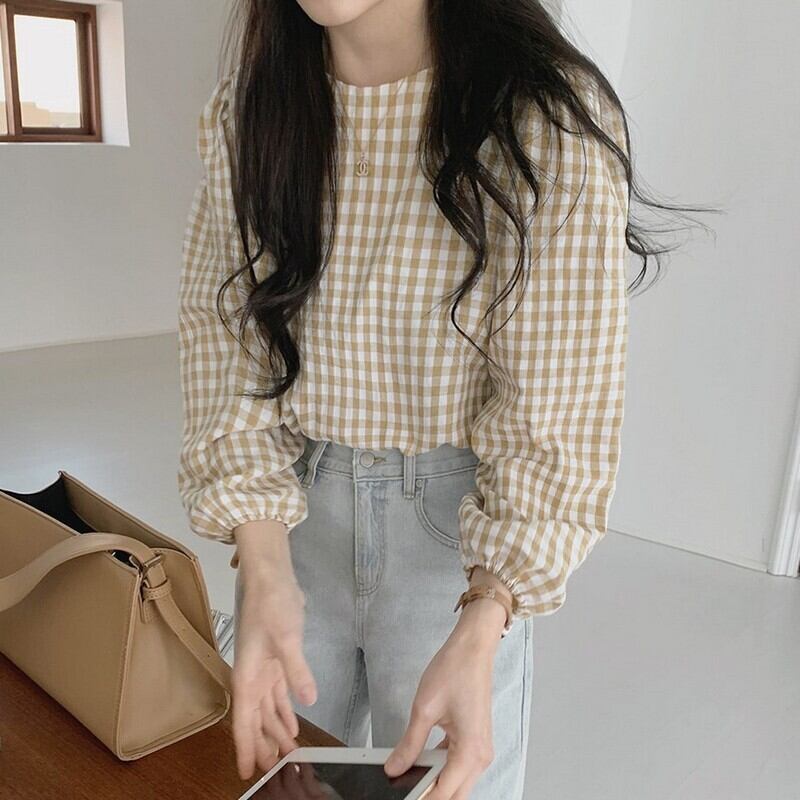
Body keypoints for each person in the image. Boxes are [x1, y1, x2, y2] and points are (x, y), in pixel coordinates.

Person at [177, 2, 665, 798]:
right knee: (275, 783)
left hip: (454, 539)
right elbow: (226, 343)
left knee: (449, 783)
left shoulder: (540, 120)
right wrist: (262, 569)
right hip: (291, 522)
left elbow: (556, 411)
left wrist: (487, 611)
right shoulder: (254, 107)